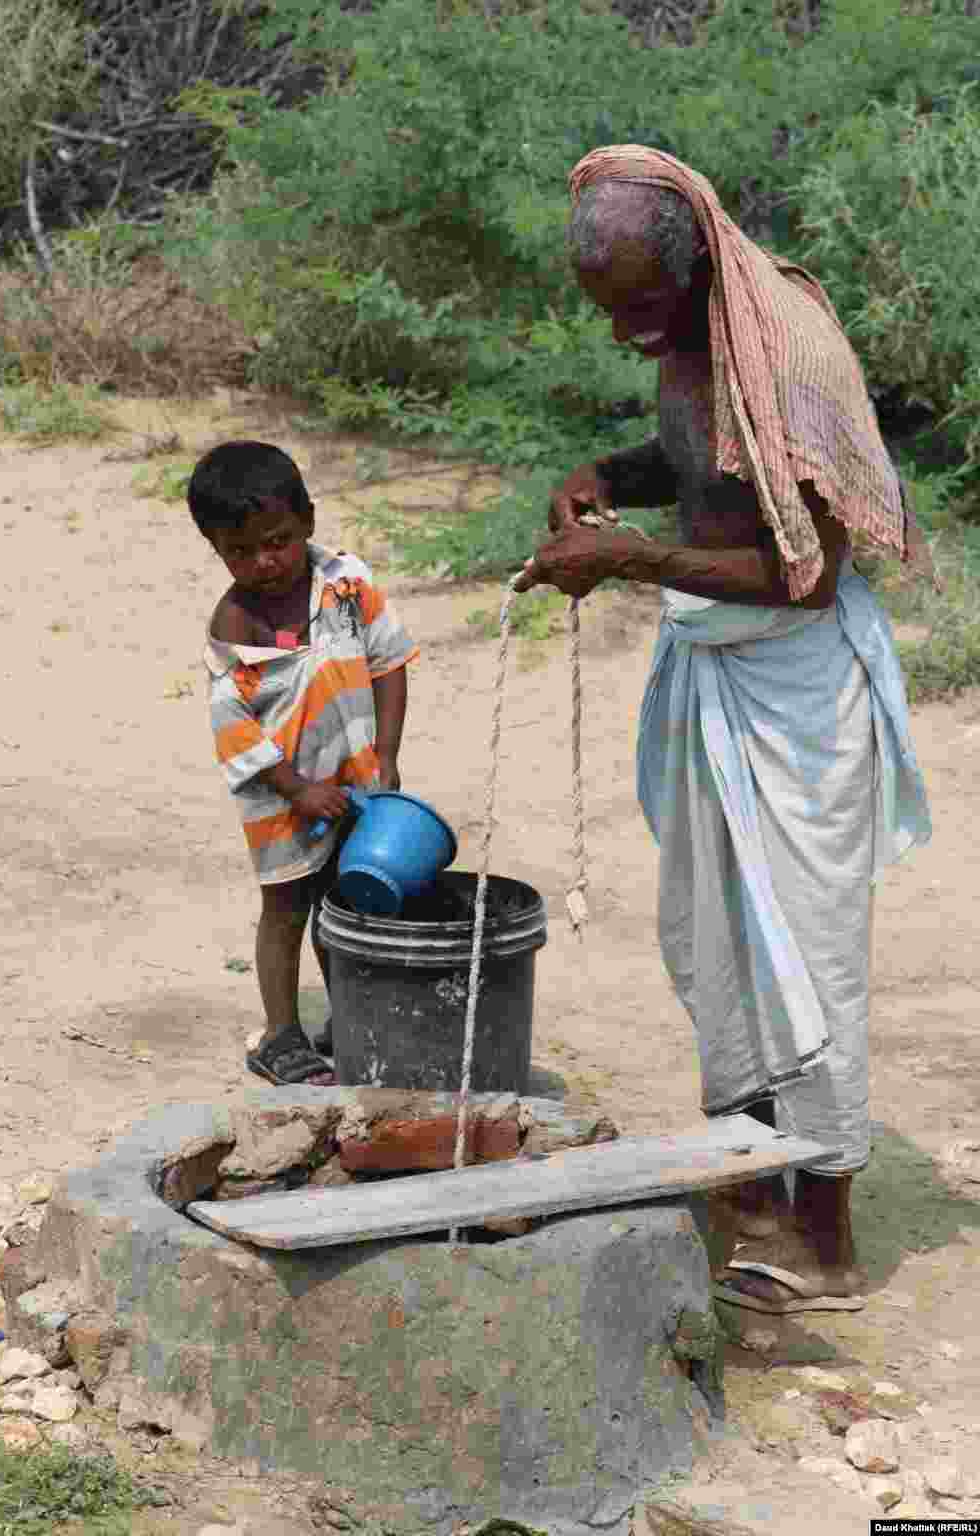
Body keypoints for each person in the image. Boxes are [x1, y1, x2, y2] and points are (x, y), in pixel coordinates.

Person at [515, 147, 933, 1314]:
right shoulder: (692, 328)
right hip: (714, 672)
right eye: (608, 313)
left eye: (641, 309)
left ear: (696, 262)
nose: (625, 334)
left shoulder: (789, 349)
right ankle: (750, 1188)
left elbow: (806, 573)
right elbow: (702, 462)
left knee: (804, 954)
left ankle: (825, 1236)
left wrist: (631, 559)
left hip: (798, 695)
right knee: (717, 941)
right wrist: (604, 472)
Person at [189, 440, 418, 1086]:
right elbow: (234, 730)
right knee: (287, 908)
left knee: (343, 904)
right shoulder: (237, 626)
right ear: (215, 548)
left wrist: (387, 755)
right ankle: (280, 1036)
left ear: (308, 520)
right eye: (240, 551)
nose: (263, 562)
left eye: (277, 541)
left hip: (354, 781)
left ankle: (349, 1018)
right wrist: (296, 789)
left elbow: (389, 661)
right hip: (280, 799)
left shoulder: (347, 584)